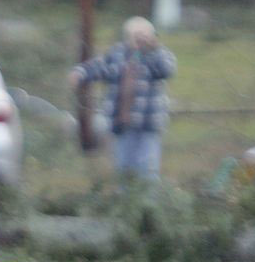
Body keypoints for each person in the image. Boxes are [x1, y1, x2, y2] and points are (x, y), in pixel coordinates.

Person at [70, 17, 176, 180]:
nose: (140, 40)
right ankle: (125, 202)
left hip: (147, 124)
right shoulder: (118, 53)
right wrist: (81, 72)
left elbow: (166, 70)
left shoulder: (158, 55)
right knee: (123, 169)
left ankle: (147, 203)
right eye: (136, 35)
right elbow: (100, 67)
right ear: (127, 37)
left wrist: (154, 49)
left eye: (145, 35)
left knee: (147, 170)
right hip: (121, 124)